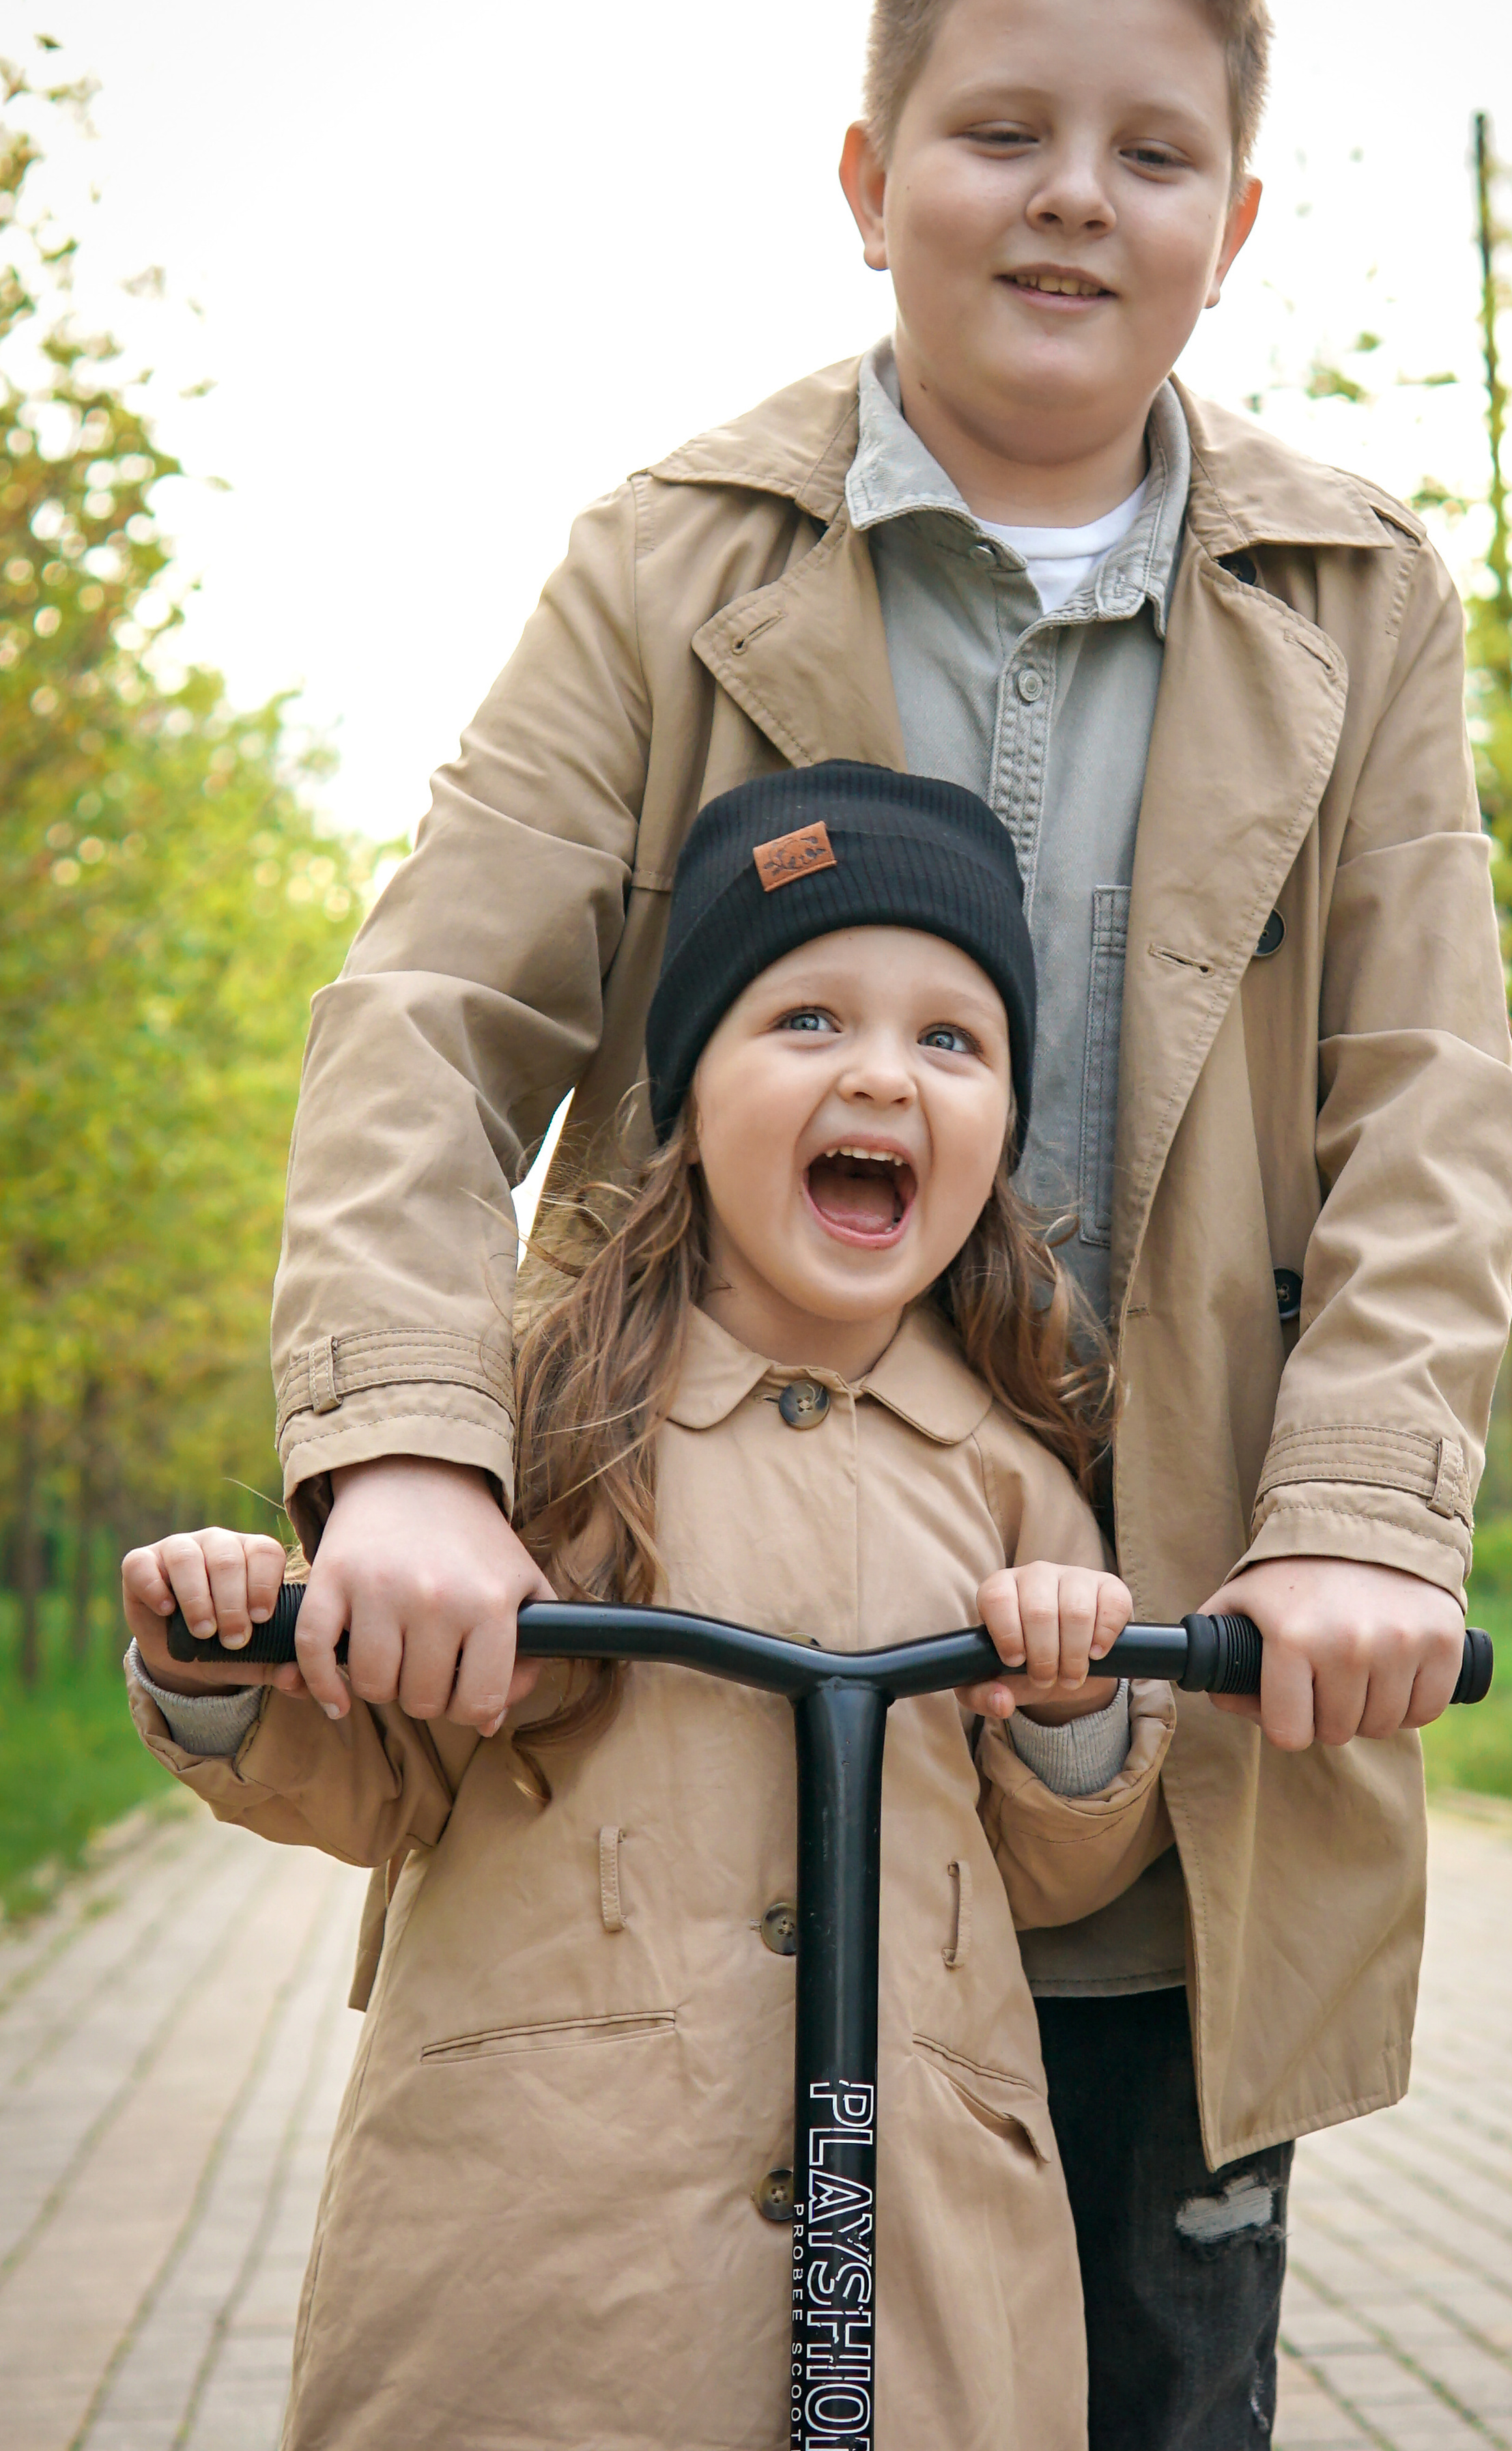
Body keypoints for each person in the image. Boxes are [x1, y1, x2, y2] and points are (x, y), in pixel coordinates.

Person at [208, 0, 1512, 2441]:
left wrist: (1357, 1524)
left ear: (1235, 224)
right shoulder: (671, 557)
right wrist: (408, 1456)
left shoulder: (1360, 599)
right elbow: (429, 1017)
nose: (1074, 194)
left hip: (1175, 1686)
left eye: (1152, 152)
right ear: (866, 176)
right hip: (713, 1662)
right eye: (1001, 129)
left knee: (1141, 2366)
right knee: (645, 2335)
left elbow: (1428, 1096)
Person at [124, 766, 1175, 2451]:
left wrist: (1072, 1704)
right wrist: (227, 1672)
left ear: (997, 1126)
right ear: (685, 1097)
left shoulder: (1015, 1470)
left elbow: (1053, 1875)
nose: (880, 1073)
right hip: (551, 2254)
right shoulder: (537, 1432)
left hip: (909, 2262)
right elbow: (384, 1780)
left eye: (950, 1038)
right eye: (808, 1018)